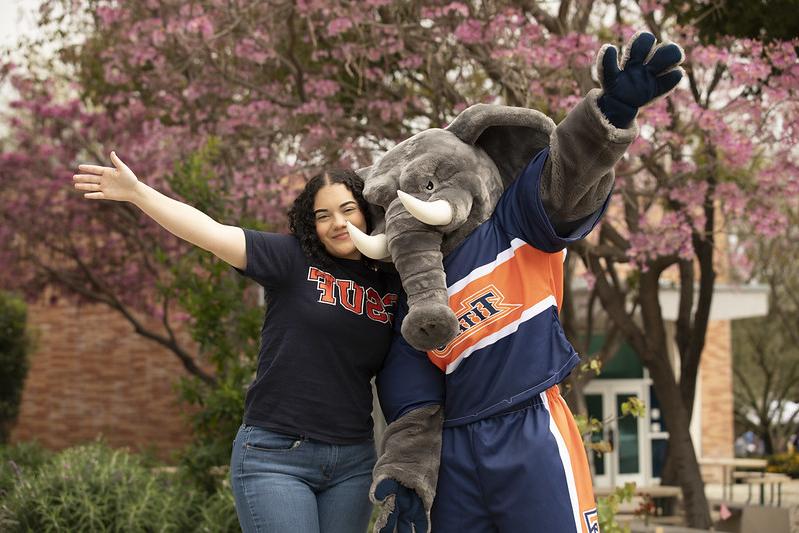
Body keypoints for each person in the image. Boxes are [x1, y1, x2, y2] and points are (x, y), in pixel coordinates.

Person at [73, 157, 400, 533]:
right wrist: (137, 193)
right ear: (312, 224)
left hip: (353, 462)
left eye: (348, 210)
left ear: (366, 211)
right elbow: (209, 231)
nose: (338, 223)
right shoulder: (292, 259)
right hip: (277, 456)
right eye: (323, 215)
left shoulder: (390, 284)